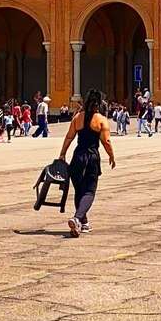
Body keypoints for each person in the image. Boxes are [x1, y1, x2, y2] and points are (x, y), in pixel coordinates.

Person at [59, 87, 115, 236]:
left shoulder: (77, 118)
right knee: (89, 191)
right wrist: (112, 156)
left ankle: (83, 223)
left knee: (79, 190)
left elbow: (69, 137)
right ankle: (78, 218)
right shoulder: (101, 120)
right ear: (99, 104)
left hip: (77, 157)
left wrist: (62, 154)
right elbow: (106, 141)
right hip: (91, 157)